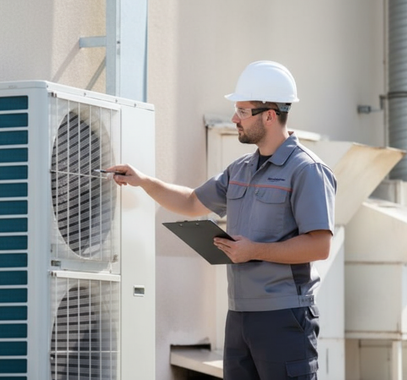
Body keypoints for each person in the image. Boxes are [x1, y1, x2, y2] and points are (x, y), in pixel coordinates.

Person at [107, 60, 336, 380]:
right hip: (239, 317)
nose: (234, 119)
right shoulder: (240, 169)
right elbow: (190, 202)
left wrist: (254, 250)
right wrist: (143, 181)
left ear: (270, 115)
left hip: (285, 318)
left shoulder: (306, 170)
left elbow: (320, 245)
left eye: (243, 111)